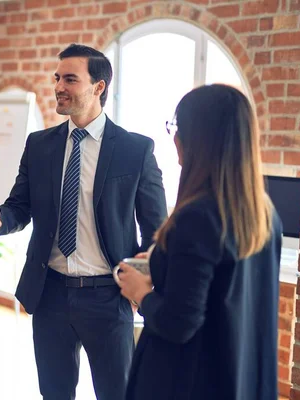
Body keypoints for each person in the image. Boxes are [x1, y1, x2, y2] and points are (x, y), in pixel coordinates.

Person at [0, 44, 167, 399]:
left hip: (109, 297)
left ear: (98, 87)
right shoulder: (39, 145)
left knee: (117, 393)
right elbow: (20, 208)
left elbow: (157, 229)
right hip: (49, 294)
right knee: (54, 393)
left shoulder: (135, 150)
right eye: (57, 78)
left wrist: (138, 284)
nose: (58, 87)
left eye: (70, 79)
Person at [117, 84, 282, 400]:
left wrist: (141, 292)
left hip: (187, 380)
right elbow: (223, 291)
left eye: (176, 127)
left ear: (195, 140)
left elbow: (179, 322)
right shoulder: (264, 212)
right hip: (236, 376)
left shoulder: (197, 216)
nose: (174, 138)